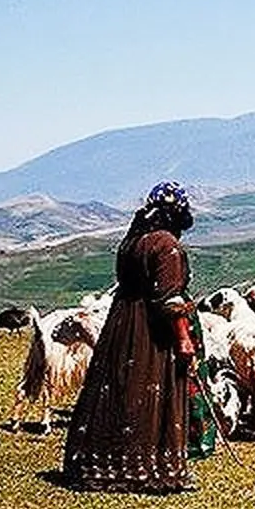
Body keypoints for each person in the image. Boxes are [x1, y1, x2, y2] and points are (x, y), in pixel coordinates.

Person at [63, 181, 205, 493]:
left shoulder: (132, 242)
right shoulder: (167, 246)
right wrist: (183, 340)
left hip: (122, 323)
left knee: (121, 388)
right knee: (151, 388)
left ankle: (101, 464)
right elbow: (170, 299)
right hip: (152, 332)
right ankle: (149, 469)